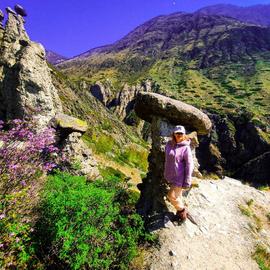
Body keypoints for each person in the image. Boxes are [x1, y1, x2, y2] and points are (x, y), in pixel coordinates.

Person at [164, 125, 194, 221]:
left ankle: (182, 212)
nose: (179, 135)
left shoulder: (186, 148)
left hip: (179, 176)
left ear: (184, 134)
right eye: (177, 133)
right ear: (174, 134)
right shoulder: (169, 144)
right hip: (171, 175)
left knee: (171, 196)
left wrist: (187, 181)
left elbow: (190, 165)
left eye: (181, 133)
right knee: (178, 196)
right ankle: (179, 214)